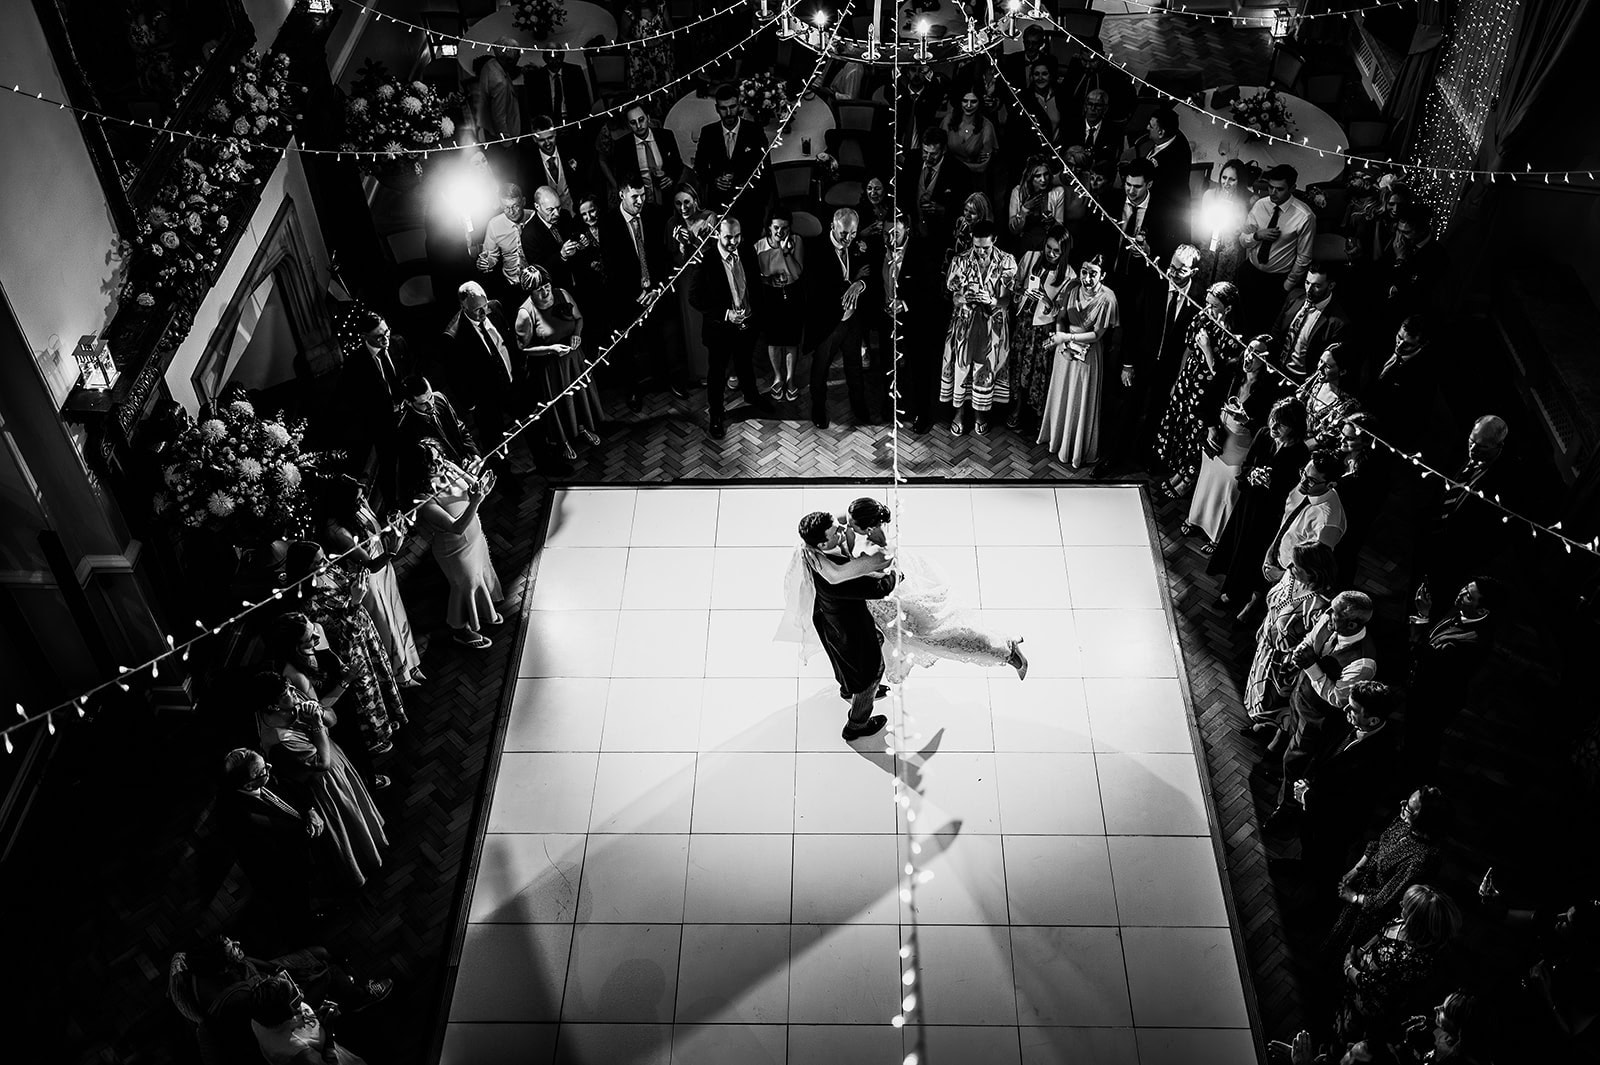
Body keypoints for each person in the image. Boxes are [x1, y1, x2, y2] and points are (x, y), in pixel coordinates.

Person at [800, 498, 1029, 685]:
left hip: (894, 599)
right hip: (878, 599)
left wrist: (813, 555)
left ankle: (1006, 651)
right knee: (891, 640)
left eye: (849, 525)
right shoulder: (853, 519)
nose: (844, 526)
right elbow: (826, 527)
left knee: (936, 637)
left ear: (868, 529)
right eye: (845, 522)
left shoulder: (877, 553)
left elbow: (836, 576)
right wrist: (808, 543)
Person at [251, 670, 387, 890]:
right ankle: (361, 863)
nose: (293, 692)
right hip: (325, 785)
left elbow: (332, 720)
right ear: (272, 706)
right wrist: (316, 724)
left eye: (290, 687)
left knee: (357, 812)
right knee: (347, 823)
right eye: (286, 693)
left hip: (337, 766)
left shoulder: (292, 698)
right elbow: (322, 763)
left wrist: (320, 713)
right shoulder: (278, 739)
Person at [281, 542, 407, 759]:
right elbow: (339, 635)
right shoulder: (309, 601)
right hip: (349, 648)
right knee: (365, 691)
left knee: (380, 676)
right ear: (304, 568)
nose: (326, 563)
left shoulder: (328, 570)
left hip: (365, 634)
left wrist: (357, 582)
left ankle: (389, 717)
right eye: (318, 562)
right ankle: (376, 738)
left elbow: (345, 583)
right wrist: (355, 601)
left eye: (324, 557)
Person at [786, 511, 899, 742]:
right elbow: (879, 589)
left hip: (832, 623)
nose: (842, 529)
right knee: (871, 672)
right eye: (836, 531)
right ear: (822, 543)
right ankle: (857, 725)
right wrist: (897, 576)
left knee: (849, 660)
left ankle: (848, 689)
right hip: (851, 629)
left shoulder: (814, 554)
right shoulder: (836, 577)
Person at [1094, 244, 1203, 478]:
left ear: (1193, 272)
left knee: (1157, 413)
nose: (1173, 273)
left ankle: (1144, 457)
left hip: (1170, 368)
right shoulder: (1155, 283)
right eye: (1172, 266)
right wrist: (1127, 363)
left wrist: (1179, 377)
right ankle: (1114, 457)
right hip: (1142, 360)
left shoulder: (1198, 299)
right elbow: (1134, 324)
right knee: (1128, 409)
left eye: (1181, 270)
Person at [1286, 680, 1403, 887]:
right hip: (1313, 804)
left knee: (1325, 862)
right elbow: (1322, 753)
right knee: (1308, 844)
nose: (1346, 709)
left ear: (1373, 720)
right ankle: (1304, 868)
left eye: (1354, 709)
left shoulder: (1383, 758)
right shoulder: (1345, 720)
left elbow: (1350, 803)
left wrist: (1307, 796)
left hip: (1335, 825)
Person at [1273, 589, 1378, 817]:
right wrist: (1298, 654)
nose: (1327, 612)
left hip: (1316, 719)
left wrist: (1311, 666)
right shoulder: (1330, 619)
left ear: (1352, 625)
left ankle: (1287, 807)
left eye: (1335, 612)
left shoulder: (1363, 663)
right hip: (1299, 696)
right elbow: (1310, 641)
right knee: (1288, 735)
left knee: (1295, 763)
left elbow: (1338, 699)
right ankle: (1277, 771)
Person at [317, 475, 422, 688]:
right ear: (342, 504)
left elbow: (376, 530)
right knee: (386, 623)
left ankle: (411, 662)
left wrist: (392, 524)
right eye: (357, 501)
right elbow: (369, 565)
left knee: (396, 612)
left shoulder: (357, 506)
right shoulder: (337, 530)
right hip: (369, 579)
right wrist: (392, 551)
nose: (362, 502)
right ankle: (400, 674)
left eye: (362, 497)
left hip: (385, 568)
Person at [1209, 396, 1310, 611]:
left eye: (1281, 424)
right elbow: (1247, 465)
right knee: (1238, 544)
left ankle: (1236, 595)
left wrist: (1271, 483)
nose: (1274, 426)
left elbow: (1294, 491)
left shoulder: (1301, 453)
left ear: (1294, 426)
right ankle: (1231, 587)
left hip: (1269, 512)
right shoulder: (1264, 435)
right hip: (1248, 502)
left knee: (1251, 552)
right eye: (1273, 419)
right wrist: (1252, 474)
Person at [404, 437, 503, 650]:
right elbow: (456, 527)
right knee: (464, 587)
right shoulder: (423, 499)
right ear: (419, 467)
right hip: (455, 550)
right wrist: (476, 501)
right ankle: (460, 630)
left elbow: (473, 485)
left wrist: (482, 486)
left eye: (439, 457)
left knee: (479, 576)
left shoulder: (448, 467)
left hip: (474, 538)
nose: (439, 463)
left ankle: (482, 613)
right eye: (432, 462)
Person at [598, 170, 686, 409]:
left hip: (655, 292)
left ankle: (664, 380)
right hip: (627, 297)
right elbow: (612, 267)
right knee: (628, 347)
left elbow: (662, 256)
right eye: (634, 197)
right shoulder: (608, 224)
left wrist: (657, 289)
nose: (640, 201)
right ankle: (633, 390)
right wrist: (637, 294)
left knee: (660, 339)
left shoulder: (654, 214)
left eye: (643, 195)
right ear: (622, 195)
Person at [1402, 577, 1503, 782]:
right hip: (1425, 687)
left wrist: (1422, 617)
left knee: (1423, 743)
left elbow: (1427, 657)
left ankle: (1416, 781)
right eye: (1465, 587)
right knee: (1413, 735)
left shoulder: (1471, 643)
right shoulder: (1463, 610)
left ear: (1482, 610)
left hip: (1436, 700)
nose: (1461, 593)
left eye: (1469, 596)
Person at [1328, 788, 1451, 953]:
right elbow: (1379, 843)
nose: (1402, 804)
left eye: (1409, 807)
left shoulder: (1420, 861)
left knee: (1345, 948)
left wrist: (1353, 897)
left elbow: (1384, 902)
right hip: (1362, 890)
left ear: (1422, 821)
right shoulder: (1404, 823)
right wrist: (1357, 868)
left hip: (1368, 914)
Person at [1184, 334, 1278, 545]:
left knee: (1229, 487)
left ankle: (1218, 536)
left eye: (1257, 354)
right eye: (1249, 349)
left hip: (1242, 445)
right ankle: (1196, 519)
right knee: (1207, 479)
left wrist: (1247, 421)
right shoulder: (1232, 370)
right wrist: (1211, 428)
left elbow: (1268, 430)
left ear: (1266, 361)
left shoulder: (1270, 389)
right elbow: (1208, 398)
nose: (1249, 357)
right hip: (1218, 436)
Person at [1151, 280, 1242, 498]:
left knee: (1195, 433)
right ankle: (1179, 471)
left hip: (1207, 388)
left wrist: (1207, 348)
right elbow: (1189, 350)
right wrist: (1179, 379)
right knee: (1180, 426)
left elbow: (1221, 374)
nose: (1208, 308)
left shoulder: (1233, 337)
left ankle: (1188, 478)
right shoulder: (1202, 317)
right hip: (1189, 379)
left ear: (1228, 308)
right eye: (1207, 303)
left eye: (1214, 306)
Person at [1417, 415, 1515, 617]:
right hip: (1429, 536)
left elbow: (1499, 535)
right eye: (1472, 441)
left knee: (1437, 602)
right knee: (1416, 590)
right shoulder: (1458, 452)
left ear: (1498, 446)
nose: (1473, 449)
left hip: (1457, 555)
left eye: (1483, 447)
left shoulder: (1506, 481)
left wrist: (1467, 559)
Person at [214, 747, 324, 926]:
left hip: (301, 846)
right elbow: (272, 854)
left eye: (264, 763)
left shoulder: (261, 772)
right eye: (264, 770)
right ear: (248, 786)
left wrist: (310, 810)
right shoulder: (241, 818)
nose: (270, 767)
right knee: (295, 902)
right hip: (281, 868)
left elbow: (293, 786)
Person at [1337, 885, 1462, 1042]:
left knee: (1348, 1038)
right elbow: (1382, 933)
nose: (1400, 904)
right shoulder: (1401, 922)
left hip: (1368, 1008)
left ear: (1416, 920)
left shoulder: (1415, 959)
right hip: (1354, 988)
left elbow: (1373, 986)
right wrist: (1362, 951)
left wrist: (1349, 968)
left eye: (1405, 906)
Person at [689, 216, 775, 439]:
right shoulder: (706, 260)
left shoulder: (746, 251)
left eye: (737, 236)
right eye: (728, 237)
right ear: (717, 234)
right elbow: (694, 297)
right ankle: (716, 414)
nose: (733, 242)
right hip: (720, 329)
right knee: (717, 372)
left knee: (745, 362)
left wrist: (756, 315)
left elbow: (754, 284)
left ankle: (751, 395)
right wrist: (726, 314)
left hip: (747, 323)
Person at [1243, 541, 1337, 733]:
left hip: (1283, 664)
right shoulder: (1290, 576)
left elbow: (1315, 645)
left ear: (1313, 573)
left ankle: (1270, 729)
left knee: (1272, 702)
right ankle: (1259, 722)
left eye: (1296, 566)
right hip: (1266, 649)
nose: (1289, 567)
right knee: (1256, 690)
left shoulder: (1321, 608)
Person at [513, 265, 604, 458]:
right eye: (539, 290)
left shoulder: (562, 294)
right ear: (530, 292)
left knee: (579, 397)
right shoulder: (525, 313)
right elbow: (522, 349)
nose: (545, 292)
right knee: (560, 405)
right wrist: (551, 349)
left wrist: (577, 334)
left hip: (574, 361)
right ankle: (563, 441)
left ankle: (582, 429)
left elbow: (579, 319)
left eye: (547, 286)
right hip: (550, 368)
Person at [1038, 254, 1118, 468]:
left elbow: (1097, 334)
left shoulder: (1108, 298)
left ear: (1103, 275)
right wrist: (1061, 343)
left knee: (1079, 399)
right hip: (1064, 351)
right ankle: (1057, 440)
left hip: (1087, 354)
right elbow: (1061, 318)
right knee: (1062, 393)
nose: (1087, 278)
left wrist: (1066, 338)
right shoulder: (1072, 289)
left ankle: (1074, 447)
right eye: (1084, 272)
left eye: (1093, 274)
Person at [940, 220, 1018, 437]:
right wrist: (964, 298)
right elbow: (954, 297)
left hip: (993, 326)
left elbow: (1007, 301)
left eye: (985, 247)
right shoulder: (961, 260)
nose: (981, 252)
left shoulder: (1006, 261)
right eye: (977, 247)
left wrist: (991, 300)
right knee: (961, 368)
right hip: (965, 323)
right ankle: (959, 413)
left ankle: (980, 414)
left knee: (985, 370)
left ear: (995, 241)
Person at [441, 281, 527, 464]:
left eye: (485, 306)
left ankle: (546, 461)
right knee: (494, 441)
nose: (483, 313)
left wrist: (519, 372)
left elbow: (509, 341)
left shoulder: (495, 308)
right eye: (477, 310)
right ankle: (504, 476)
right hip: (486, 397)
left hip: (511, 382)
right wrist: (470, 403)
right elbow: (455, 376)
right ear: (463, 306)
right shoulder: (453, 336)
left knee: (530, 421)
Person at [806, 208, 877, 429]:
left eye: (853, 233)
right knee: (821, 368)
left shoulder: (857, 246)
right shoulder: (816, 250)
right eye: (843, 233)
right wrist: (851, 283)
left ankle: (859, 406)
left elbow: (869, 271)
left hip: (852, 320)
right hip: (827, 322)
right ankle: (818, 409)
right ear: (832, 227)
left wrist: (860, 283)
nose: (848, 239)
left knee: (854, 365)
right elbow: (819, 291)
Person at [335, 311, 413, 501]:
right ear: (365, 337)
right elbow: (351, 401)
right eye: (379, 336)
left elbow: (408, 373)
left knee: (412, 455)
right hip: (381, 423)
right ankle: (393, 506)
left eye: (386, 331)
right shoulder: (354, 365)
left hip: (407, 413)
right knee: (388, 467)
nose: (386, 339)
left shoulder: (398, 343)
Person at [1006, 224, 1075, 434]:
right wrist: (1022, 291)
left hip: (1043, 329)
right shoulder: (1030, 257)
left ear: (1064, 253)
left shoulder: (1069, 275)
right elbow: (1013, 284)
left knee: (1038, 372)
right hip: (1023, 322)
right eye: (1049, 248)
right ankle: (1017, 408)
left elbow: (1062, 311)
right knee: (1019, 366)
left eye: (1056, 251)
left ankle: (1038, 415)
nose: (1051, 254)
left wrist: (1045, 298)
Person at [1237, 164, 1317, 331]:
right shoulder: (1260, 205)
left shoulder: (1305, 216)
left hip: (1276, 281)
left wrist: (1287, 284)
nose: (1273, 192)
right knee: (1241, 318)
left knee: (1264, 326)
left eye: (1279, 189)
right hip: (1250, 271)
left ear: (1292, 188)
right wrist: (1257, 236)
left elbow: (1304, 257)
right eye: (1270, 187)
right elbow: (1243, 239)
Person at [1262, 449, 1348, 588]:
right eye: (1303, 473)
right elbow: (1287, 524)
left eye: (1311, 480)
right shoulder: (1305, 487)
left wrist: (1281, 576)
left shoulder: (1327, 524)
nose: (1303, 481)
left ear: (1331, 485)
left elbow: (1314, 570)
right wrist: (1270, 553)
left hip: (1292, 581)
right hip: (1277, 560)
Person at [249, 969, 369, 1065]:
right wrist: (328, 1030)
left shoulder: (260, 1014)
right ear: (289, 1011)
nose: (297, 987)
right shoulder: (301, 1053)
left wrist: (316, 1014)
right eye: (294, 994)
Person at [665, 183, 715, 388]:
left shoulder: (709, 217)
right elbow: (676, 260)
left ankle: (719, 368)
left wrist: (693, 242)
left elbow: (713, 253)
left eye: (686, 202)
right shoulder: (672, 224)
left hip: (708, 276)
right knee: (692, 326)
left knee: (712, 322)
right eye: (678, 204)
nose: (683, 208)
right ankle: (700, 371)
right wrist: (681, 244)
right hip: (686, 279)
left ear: (695, 200)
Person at [694, 83, 768, 218]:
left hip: (749, 202)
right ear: (717, 108)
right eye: (723, 108)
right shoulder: (708, 133)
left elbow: (765, 168)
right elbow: (699, 167)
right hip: (719, 203)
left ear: (739, 105)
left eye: (732, 107)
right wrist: (714, 179)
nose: (728, 113)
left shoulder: (755, 131)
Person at [755, 209, 805, 402]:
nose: (780, 232)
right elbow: (754, 277)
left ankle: (790, 378)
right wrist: (768, 281)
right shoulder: (759, 246)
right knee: (774, 340)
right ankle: (778, 376)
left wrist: (786, 253)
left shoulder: (797, 241)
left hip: (792, 292)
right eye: (776, 227)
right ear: (769, 227)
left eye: (785, 228)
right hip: (770, 295)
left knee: (791, 340)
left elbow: (797, 273)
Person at [1275, 263, 1353, 384]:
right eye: (1307, 283)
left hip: (1301, 382)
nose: (1309, 290)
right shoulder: (1294, 296)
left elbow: (1328, 363)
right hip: (1276, 369)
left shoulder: (1338, 323)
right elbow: (1276, 330)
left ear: (1331, 286)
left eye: (1317, 286)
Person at [475, 183, 539, 303]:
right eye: (506, 207)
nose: (511, 212)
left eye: (515, 206)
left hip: (538, 281)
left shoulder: (535, 217)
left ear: (523, 202)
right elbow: (491, 256)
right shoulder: (494, 225)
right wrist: (486, 263)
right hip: (511, 284)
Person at [611, 105, 683, 207]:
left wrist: (671, 178)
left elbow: (678, 164)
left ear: (648, 118)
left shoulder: (666, 136)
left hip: (668, 197)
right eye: (633, 122)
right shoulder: (622, 146)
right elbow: (621, 177)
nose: (638, 125)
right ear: (628, 124)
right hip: (640, 203)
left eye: (641, 120)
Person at [1196, 158, 1253, 285]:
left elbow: (1241, 230)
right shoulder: (1209, 194)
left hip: (1230, 252)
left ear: (1240, 181)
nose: (1226, 183)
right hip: (1208, 245)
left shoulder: (1245, 202)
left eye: (1232, 179)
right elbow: (1204, 223)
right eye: (1224, 177)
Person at [1300, 342, 1365, 447]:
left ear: (1342, 372)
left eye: (1328, 366)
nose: (1320, 368)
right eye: (1321, 361)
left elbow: (1324, 440)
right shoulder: (1317, 380)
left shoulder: (1348, 405)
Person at [524, 115, 589, 216]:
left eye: (550, 138)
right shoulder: (529, 162)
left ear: (555, 133)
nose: (547, 143)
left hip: (574, 210)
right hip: (549, 216)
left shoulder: (570, 148)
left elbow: (583, 180)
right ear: (534, 139)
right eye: (542, 140)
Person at [942, 85, 1000, 195]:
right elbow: (940, 152)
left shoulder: (986, 126)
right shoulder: (948, 120)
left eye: (973, 101)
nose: (968, 105)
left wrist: (955, 165)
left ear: (980, 102)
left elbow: (983, 167)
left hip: (973, 181)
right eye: (965, 101)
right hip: (949, 178)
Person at [1007, 156, 1067, 254]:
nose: (1043, 179)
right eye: (1038, 176)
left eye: (1046, 174)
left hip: (1047, 243)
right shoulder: (1018, 192)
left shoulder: (1057, 192)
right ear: (1030, 177)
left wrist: (1052, 222)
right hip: (1024, 243)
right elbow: (1013, 229)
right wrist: (1024, 210)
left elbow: (1060, 226)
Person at [1059, 88, 1123, 177]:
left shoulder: (1113, 131)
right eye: (1090, 104)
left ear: (1105, 108)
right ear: (1085, 106)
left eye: (1098, 105)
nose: (1093, 109)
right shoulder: (1071, 127)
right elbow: (1064, 153)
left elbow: (1112, 159)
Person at [524, 47, 590, 129]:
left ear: (562, 56)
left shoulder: (574, 71)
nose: (554, 61)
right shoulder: (538, 76)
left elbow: (584, 97)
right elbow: (533, 104)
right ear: (544, 59)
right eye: (550, 58)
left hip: (573, 118)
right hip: (549, 121)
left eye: (557, 57)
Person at [623, 1, 675, 96]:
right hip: (640, 57)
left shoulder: (660, 6)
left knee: (664, 87)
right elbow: (623, 36)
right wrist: (642, 43)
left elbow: (671, 29)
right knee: (645, 90)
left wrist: (660, 40)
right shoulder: (629, 12)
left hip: (661, 54)